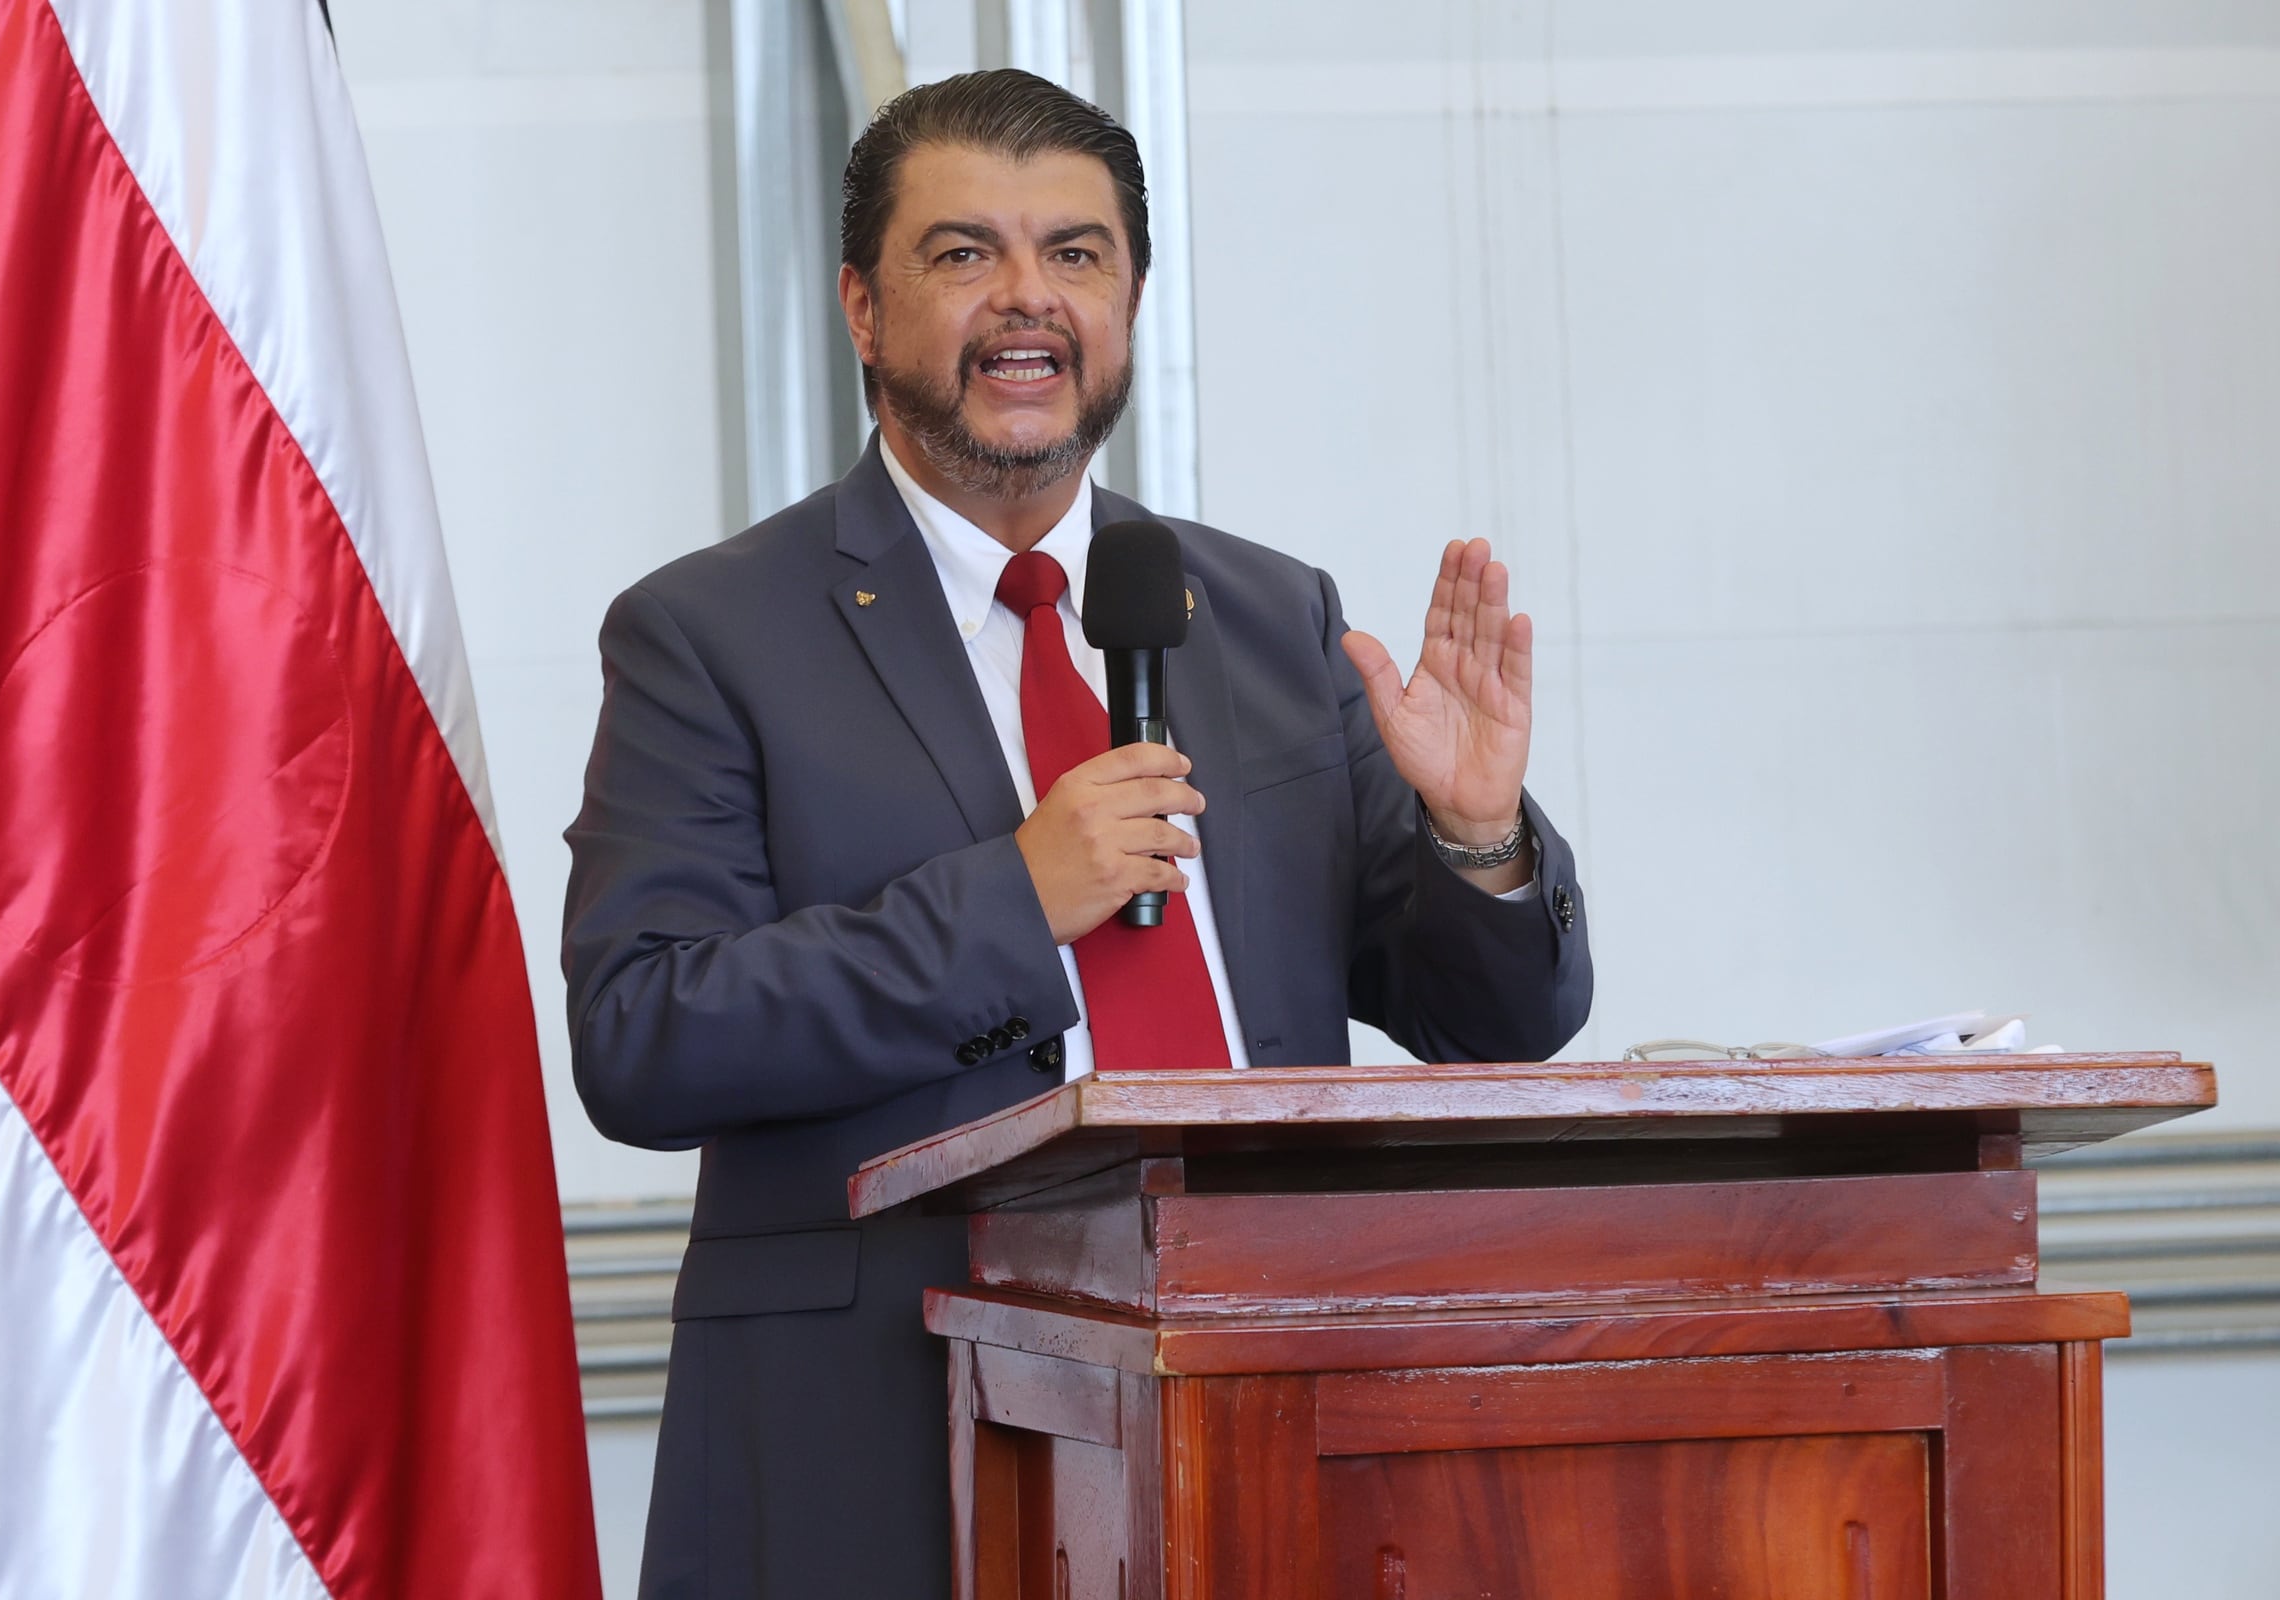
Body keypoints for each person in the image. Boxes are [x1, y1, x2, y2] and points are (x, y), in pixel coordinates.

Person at [562, 68, 1592, 1600]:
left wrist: (1477, 831)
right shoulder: (711, 633)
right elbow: (643, 1036)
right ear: (861, 304)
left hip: (1267, 1410)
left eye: (1078, 253)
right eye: (964, 252)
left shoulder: (1263, 615)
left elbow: (1495, 1023)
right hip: (884, 1447)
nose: (1025, 298)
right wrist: (1013, 899)